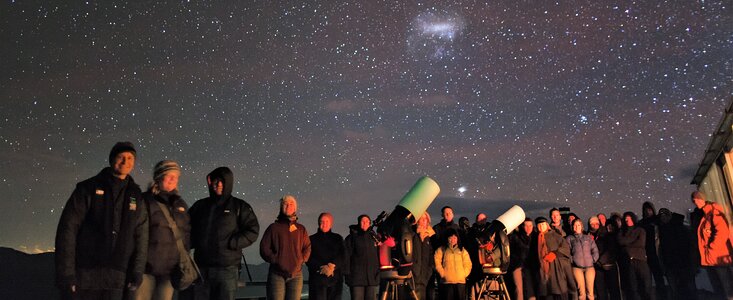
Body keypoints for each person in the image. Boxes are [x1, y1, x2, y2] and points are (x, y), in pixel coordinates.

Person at [55, 142, 148, 300]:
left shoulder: (136, 196)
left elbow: (142, 236)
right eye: (121, 157)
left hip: (118, 278)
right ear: (112, 159)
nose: (125, 162)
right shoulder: (88, 188)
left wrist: (137, 272)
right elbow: (68, 229)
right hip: (85, 275)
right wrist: (66, 273)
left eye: (130, 158)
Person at [189, 167, 260, 300]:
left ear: (228, 184)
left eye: (223, 181)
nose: (219, 184)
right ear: (211, 182)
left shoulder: (239, 206)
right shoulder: (200, 205)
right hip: (201, 269)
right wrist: (191, 243)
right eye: (216, 181)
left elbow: (253, 230)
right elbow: (187, 228)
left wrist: (233, 242)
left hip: (227, 269)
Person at [136, 160, 190, 300]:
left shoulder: (180, 205)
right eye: (169, 175)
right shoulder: (145, 201)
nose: (173, 179)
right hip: (145, 271)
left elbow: (186, 235)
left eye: (176, 176)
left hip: (169, 273)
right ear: (159, 177)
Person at [260, 195, 311, 300]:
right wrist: (276, 259)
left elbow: (307, 247)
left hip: (296, 275)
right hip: (276, 274)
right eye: (286, 204)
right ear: (281, 207)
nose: (288, 206)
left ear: (295, 208)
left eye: (291, 204)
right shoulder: (273, 228)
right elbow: (264, 248)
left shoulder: (301, 229)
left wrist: (301, 260)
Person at [691, 191, 733, 299]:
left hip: (718, 258)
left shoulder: (714, 213)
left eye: (695, 200)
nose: (695, 203)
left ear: (701, 199)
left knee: (727, 288)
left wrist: (712, 248)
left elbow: (722, 232)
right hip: (711, 259)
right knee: (719, 288)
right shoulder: (705, 215)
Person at [656, 208, 696, 300]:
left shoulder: (680, 228)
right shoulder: (662, 230)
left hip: (682, 265)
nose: (663, 218)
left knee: (686, 290)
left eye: (665, 215)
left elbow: (688, 246)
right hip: (670, 265)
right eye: (661, 216)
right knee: (676, 291)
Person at [529, 217, 571, 300]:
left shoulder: (554, 235)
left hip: (555, 268)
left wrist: (554, 254)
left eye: (543, 224)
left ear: (547, 225)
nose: (541, 226)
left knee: (557, 290)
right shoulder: (535, 238)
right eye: (539, 225)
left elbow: (565, 247)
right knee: (545, 292)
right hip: (541, 269)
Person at [306, 212, 345, 300]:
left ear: (331, 223)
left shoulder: (338, 238)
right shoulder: (311, 239)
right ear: (318, 223)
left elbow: (342, 255)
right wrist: (321, 268)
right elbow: (308, 257)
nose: (324, 224)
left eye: (326, 221)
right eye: (322, 221)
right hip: (317, 280)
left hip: (335, 279)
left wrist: (332, 266)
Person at [617, 212, 654, 300]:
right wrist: (632, 241)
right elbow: (620, 241)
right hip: (629, 261)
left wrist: (627, 244)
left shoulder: (640, 230)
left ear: (633, 218)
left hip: (640, 260)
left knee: (646, 285)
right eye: (625, 219)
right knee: (633, 287)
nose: (627, 220)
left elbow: (641, 243)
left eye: (629, 218)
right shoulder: (622, 231)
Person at [344, 215, 380, 300]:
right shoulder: (351, 238)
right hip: (356, 278)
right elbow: (346, 256)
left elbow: (378, 255)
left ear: (369, 223)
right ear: (359, 223)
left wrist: (377, 273)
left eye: (366, 221)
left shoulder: (374, 238)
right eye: (362, 221)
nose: (364, 223)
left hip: (371, 278)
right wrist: (347, 275)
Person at [638, 202, 666, 299]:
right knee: (646, 281)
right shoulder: (641, 223)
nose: (648, 211)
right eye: (646, 210)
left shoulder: (658, 221)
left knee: (659, 279)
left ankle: (663, 297)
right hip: (646, 254)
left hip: (658, 253)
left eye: (649, 209)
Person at [588, 216, 621, 300]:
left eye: (596, 223)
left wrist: (600, 260)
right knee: (601, 291)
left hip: (608, 265)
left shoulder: (606, 233)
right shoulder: (588, 236)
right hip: (597, 267)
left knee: (613, 290)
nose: (594, 225)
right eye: (592, 224)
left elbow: (611, 249)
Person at [434, 229, 472, 300]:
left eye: (455, 237)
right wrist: (443, 274)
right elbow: (437, 262)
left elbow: (468, 263)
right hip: (447, 282)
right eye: (450, 238)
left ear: (457, 238)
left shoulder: (462, 250)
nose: (453, 239)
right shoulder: (442, 249)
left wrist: (464, 274)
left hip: (460, 282)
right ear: (447, 238)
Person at [566, 219, 599, 300]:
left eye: (578, 225)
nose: (577, 227)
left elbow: (595, 250)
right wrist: (573, 260)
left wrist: (593, 260)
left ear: (581, 226)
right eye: (575, 225)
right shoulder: (569, 239)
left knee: (590, 292)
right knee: (581, 292)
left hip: (589, 267)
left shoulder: (588, 238)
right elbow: (567, 252)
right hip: (577, 268)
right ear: (573, 227)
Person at [508, 218, 534, 300]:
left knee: (530, 289)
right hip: (517, 266)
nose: (528, 228)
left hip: (530, 267)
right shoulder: (515, 237)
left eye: (530, 225)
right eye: (526, 225)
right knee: (518, 289)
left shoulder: (535, 237)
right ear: (522, 226)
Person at [412, 212, 435, 300]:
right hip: (414, 275)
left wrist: (430, 270)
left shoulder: (430, 236)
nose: (424, 220)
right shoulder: (413, 234)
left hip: (425, 276)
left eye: (426, 219)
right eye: (422, 218)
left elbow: (431, 256)